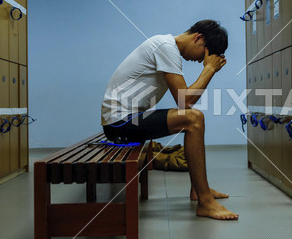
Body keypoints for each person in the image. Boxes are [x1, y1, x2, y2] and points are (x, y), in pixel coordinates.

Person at [101, 20, 239, 220]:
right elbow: (185, 101)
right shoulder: (165, 47)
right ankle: (205, 202)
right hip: (119, 123)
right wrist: (209, 70)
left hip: (128, 120)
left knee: (193, 118)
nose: (201, 60)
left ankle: (199, 190)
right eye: (204, 54)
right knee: (194, 118)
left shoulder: (166, 46)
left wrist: (208, 68)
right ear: (198, 38)